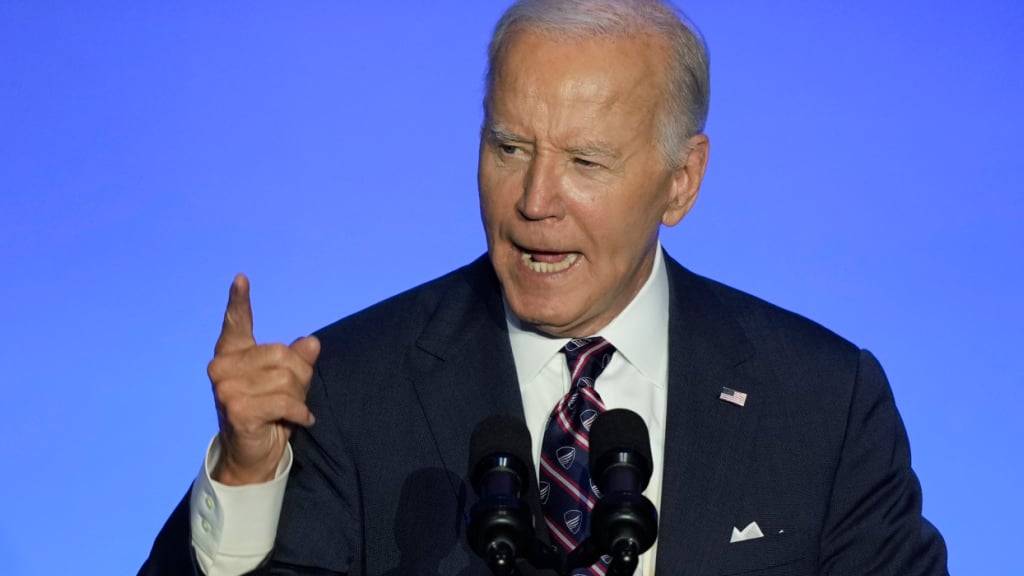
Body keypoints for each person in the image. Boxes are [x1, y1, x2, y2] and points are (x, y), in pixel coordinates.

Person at [141, 1, 948, 575]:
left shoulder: (821, 402)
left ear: (682, 181)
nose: (534, 200)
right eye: (509, 147)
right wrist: (246, 481)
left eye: (585, 162)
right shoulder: (351, 387)